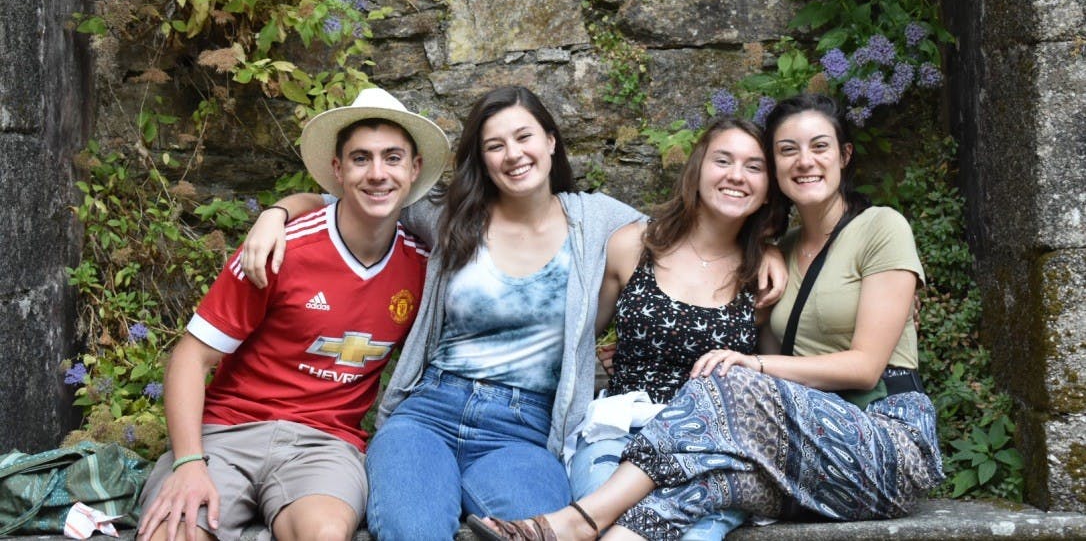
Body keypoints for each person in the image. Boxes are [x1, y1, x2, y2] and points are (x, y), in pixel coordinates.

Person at [239, 87, 787, 541]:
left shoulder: (598, 222)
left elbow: (693, 233)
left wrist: (768, 248)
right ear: (483, 158)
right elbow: (363, 196)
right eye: (494, 145)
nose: (512, 154)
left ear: (550, 142)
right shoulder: (452, 218)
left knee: (540, 532)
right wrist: (275, 212)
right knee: (413, 531)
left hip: (522, 431)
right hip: (427, 414)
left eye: (524, 137)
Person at [469, 92, 944, 541]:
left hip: (884, 438)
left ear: (844, 155)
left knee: (726, 381)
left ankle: (580, 521)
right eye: (788, 150)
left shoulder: (881, 226)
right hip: (804, 443)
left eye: (820, 147)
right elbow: (572, 335)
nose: (804, 160)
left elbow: (863, 367)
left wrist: (748, 365)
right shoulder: (781, 254)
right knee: (690, 498)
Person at [136, 87, 451, 541]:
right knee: (175, 532)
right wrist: (188, 463)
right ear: (337, 171)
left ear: (414, 169)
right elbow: (191, 358)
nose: (378, 173)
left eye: (393, 158)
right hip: (228, 432)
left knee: (323, 535)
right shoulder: (280, 249)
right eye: (361, 159)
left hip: (324, 445)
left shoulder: (421, 267)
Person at [570, 117, 779, 541]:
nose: (737, 175)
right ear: (698, 168)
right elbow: (576, 340)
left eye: (754, 167)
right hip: (620, 431)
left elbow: (771, 374)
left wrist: (773, 248)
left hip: (710, 451)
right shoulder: (633, 245)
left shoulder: (763, 275)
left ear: (768, 190)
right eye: (724, 160)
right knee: (608, 519)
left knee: (695, 533)